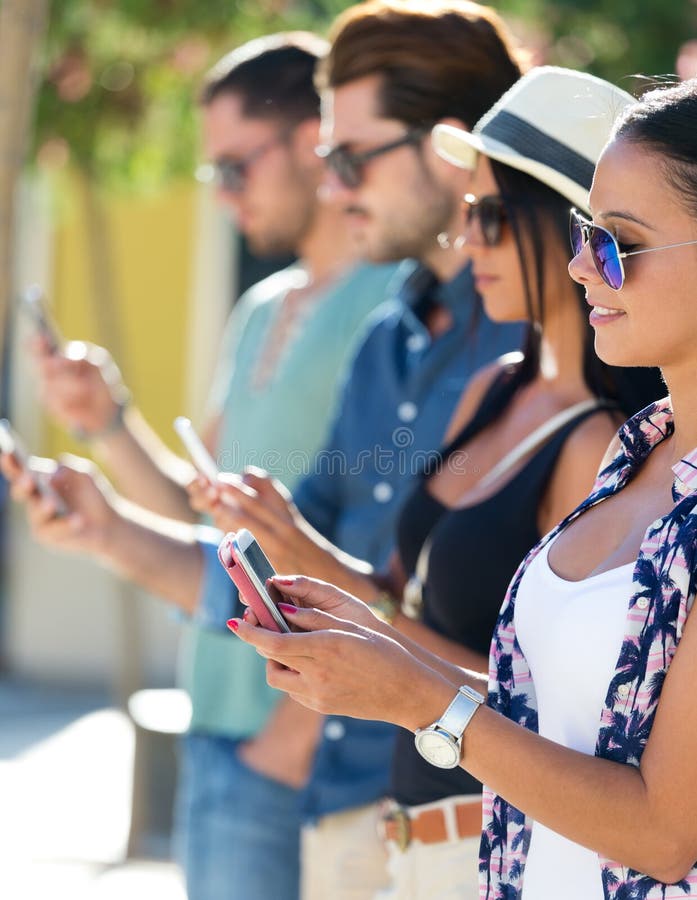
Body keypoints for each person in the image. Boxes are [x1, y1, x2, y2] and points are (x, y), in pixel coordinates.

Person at [230, 74, 697, 899]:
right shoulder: (632, 457)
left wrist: (416, 695)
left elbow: (663, 835)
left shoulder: (597, 441)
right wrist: (377, 649)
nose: (582, 265)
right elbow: (550, 724)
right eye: (586, 233)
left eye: (615, 240)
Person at [15, 32, 397, 900]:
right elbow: (207, 519)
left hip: (305, 755)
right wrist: (107, 423)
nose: (222, 196)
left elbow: (389, 549)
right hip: (217, 727)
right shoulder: (262, 307)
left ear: (312, 142)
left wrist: (287, 749)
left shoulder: (394, 302)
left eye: (234, 167)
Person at [186, 2, 526, 895]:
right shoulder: (387, 336)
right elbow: (310, 552)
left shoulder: (549, 344)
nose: (332, 189)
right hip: (342, 800)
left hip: (483, 819)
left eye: (347, 158)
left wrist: (308, 558)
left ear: (448, 145)